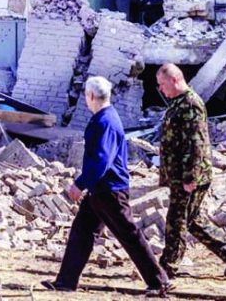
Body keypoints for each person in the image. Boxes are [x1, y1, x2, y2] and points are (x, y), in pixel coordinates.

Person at [42, 76, 173, 296]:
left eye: (86, 94)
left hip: (109, 190)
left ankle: (159, 281)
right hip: (100, 190)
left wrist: (80, 184)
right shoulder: (104, 118)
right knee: (81, 232)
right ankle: (66, 281)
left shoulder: (105, 121)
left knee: (129, 234)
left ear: (91, 96)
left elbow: (101, 160)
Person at [156, 63, 226, 279]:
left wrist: (190, 177)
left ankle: (167, 267)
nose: (160, 89)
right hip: (181, 175)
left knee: (176, 221)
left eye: (161, 84)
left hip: (189, 176)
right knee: (192, 219)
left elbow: (196, 144)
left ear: (174, 80)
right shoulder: (179, 103)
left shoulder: (190, 103)